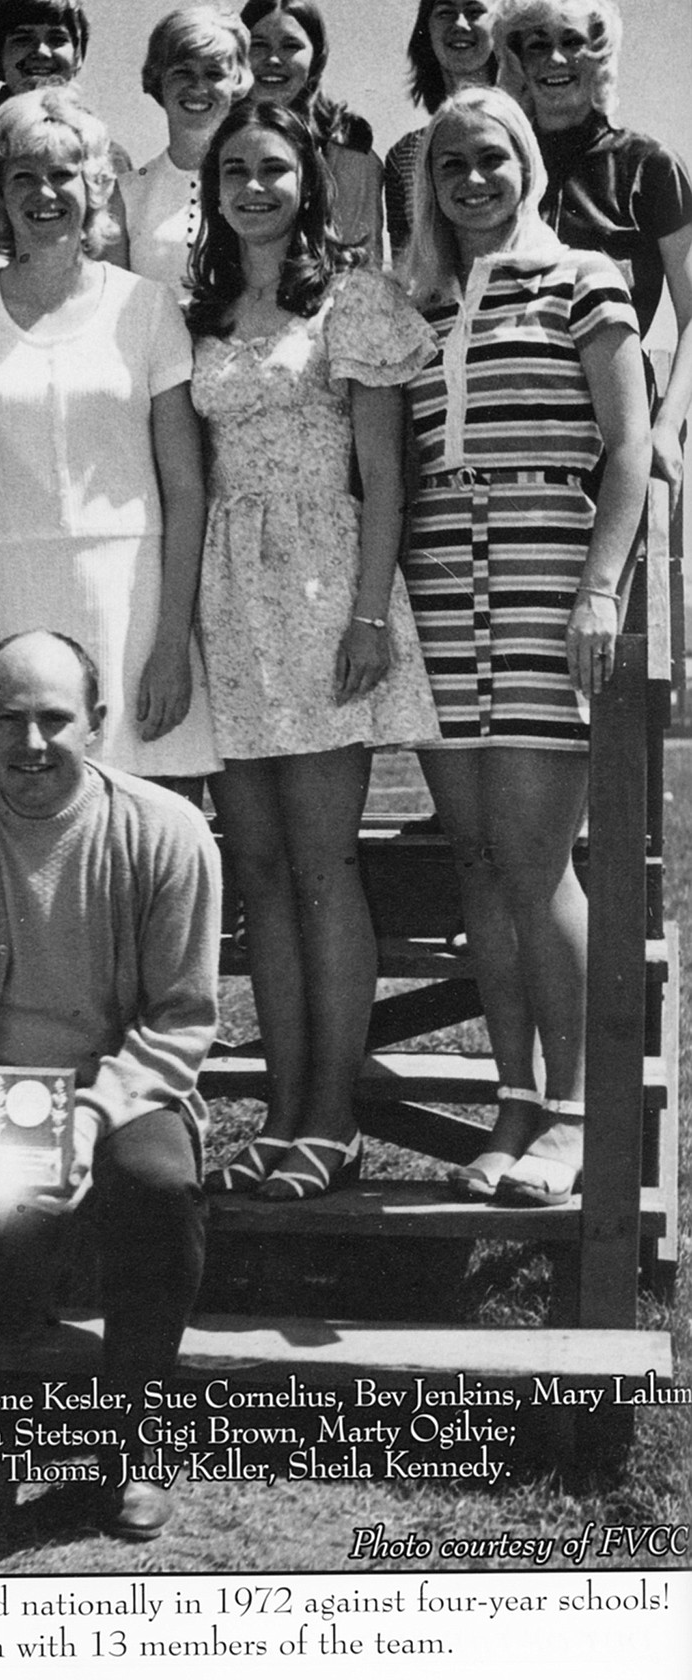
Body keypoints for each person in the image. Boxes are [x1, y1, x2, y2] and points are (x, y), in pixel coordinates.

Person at [0, 629, 222, 1541]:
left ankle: (130, 1441)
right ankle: (20, 1320)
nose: (31, 743)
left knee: (160, 1184)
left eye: (55, 719)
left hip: (116, 1092)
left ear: (97, 725)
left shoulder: (168, 832)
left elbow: (182, 1018)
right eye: (7, 719)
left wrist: (91, 1116)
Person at [401, 87, 652, 1204]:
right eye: (451, 162)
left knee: (539, 860)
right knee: (478, 867)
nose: (473, 177)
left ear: (525, 166)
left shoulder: (585, 277)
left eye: (492, 157)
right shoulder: (420, 304)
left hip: (550, 574)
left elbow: (632, 443)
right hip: (443, 586)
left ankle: (588, 1109)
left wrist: (600, 586)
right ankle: (514, 1097)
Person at [186, 98, 438, 1201]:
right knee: (265, 869)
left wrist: (371, 615)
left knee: (325, 863)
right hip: (227, 595)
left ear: (310, 182)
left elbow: (383, 475)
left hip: (326, 583)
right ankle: (282, 1112)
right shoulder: (201, 308)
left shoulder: (354, 299)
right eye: (234, 168)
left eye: (274, 167)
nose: (253, 185)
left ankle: (331, 1117)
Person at [0, 85, 219, 786]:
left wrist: (173, 641)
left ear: (96, 185)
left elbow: (186, 490)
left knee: (137, 825)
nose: (44, 194)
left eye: (62, 175)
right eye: (23, 177)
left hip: (129, 605)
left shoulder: (149, 309)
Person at [494, 0, 692, 494]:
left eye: (572, 43)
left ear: (600, 54)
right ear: (517, 62)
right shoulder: (496, 168)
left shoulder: (648, 166)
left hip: (616, 427)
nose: (556, 60)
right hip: (510, 420)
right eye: (538, 45)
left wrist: (667, 427)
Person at [113, 5, 252, 301]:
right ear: (158, 80)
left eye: (214, 73)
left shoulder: (256, 186)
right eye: (182, 72)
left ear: (237, 83)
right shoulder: (125, 194)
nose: (198, 86)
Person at [241, 0, 384, 258]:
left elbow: (358, 266)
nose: (273, 59)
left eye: (290, 46)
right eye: (258, 45)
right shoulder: (219, 142)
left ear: (316, 57)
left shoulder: (347, 150)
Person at [383, 0, 500, 260]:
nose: (459, 25)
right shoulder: (406, 157)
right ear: (426, 31)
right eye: (445, 13)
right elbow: (406, 269)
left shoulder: (534, 134)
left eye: (474, 12)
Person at [0, 0, 131, 171]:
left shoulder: (106, 156)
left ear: (78, 56)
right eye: (23, 39)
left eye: (57, 39)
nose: (42, 52)